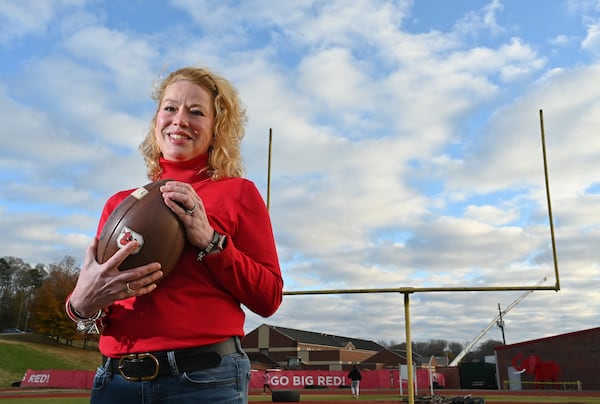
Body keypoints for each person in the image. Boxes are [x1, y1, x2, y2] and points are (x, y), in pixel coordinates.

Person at [65, 66, 283, 403]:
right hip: (116, 380)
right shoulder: (119, 204)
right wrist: (82, 303)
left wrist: (211, 241)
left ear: (216, 129)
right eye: (170, 108)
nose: (180, 119)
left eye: (196, 112)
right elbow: (91, 304)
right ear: (157, 121)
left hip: (205, 380)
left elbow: (268, 298)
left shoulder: (238, 193)